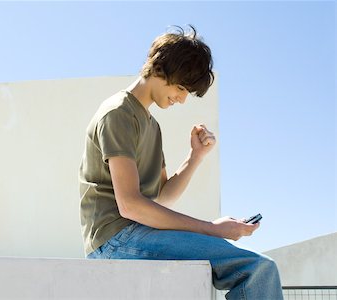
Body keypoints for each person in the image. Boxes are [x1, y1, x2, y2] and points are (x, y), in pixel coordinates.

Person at [79, 25, 283, 299]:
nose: (183, 99)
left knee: (257, 266)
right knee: (256, 268)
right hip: (114, 240)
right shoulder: (118, 114)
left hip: (137, 232)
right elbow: (130, 205)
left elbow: (162, 196)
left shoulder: (151, 125)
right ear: (159, 70)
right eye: (180, 88)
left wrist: (195, 156)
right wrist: (213, 230)